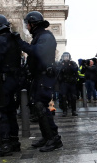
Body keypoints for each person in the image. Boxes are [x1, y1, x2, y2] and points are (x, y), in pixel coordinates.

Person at [13, 11, 63, 152]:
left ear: (33, 24)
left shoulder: (46, 36)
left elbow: (36, 52)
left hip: (44, 77)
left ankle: (54, 138)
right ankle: (47, 136)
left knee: (41, 107)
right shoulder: (40, 36)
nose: (27, 27)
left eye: (28, 24)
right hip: (38, 77)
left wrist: (20, 43)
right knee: (37, 106)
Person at [0, 15, 22, 157]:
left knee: (0, 113)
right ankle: (14, 142)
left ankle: (5, 144)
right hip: (14, 80)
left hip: (3, 81)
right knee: (11, 112)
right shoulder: (14, 40)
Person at [57, 52, 79, 117]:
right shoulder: (60, 63)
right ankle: (64, 111)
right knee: (64, 96)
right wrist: (62, 66)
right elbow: (58, 71)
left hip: (71, 82)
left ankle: (74, 111)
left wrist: (70, 65)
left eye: (67, 56)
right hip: (64, 82)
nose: (66, 57)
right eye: (65, 56)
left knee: (73, 97)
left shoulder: (72, 63)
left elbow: (75, 70)